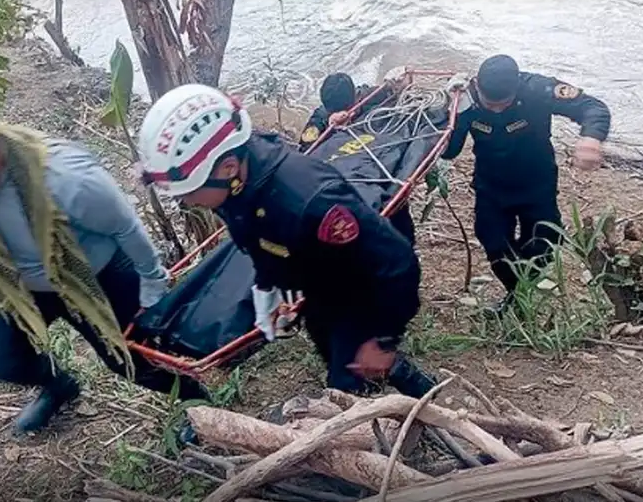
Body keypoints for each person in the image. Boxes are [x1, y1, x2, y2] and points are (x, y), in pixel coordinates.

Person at [0, 94, 210, 435]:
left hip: (96, 276)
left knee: (132, 363)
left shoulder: (67, 178)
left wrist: (153, 287)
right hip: (19, 279)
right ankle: (58, 386)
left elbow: (125, 228)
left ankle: (195, 400)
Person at [137, 84, 437, 399]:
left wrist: (384, 340)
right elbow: (254, 239)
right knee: (324, 337)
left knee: (343, 386)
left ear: (227, 168)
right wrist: (266, 287)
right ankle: (389, 368)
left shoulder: (312, 202)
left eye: (190, 192)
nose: (188, 202)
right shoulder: (236, 186)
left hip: (358, 292)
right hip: (319, 287)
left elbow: (397, 262)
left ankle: (408, 387)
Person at [441, 54, 611, 313]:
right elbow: (450, 151)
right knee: (496, 246)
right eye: (491, 104)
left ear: (516, 89)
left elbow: (592, 107)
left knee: (545, 243)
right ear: (478, 84)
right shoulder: (466, 98)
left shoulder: (537, 89)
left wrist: (591, 138)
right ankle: (519, 296)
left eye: (504, 104)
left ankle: (519, 298)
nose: (497, 110)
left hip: (537, 184)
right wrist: (449, 111)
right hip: (491, 187)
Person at [297, 71, 417, 245]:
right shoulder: (320, 119)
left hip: (378, 164)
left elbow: (402, 88)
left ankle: (407, 246)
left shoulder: (368, 98)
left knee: (397, 210)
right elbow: (307, 151)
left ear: (354, 98)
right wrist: (330, 126)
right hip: (345, 173)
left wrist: (397, 80)